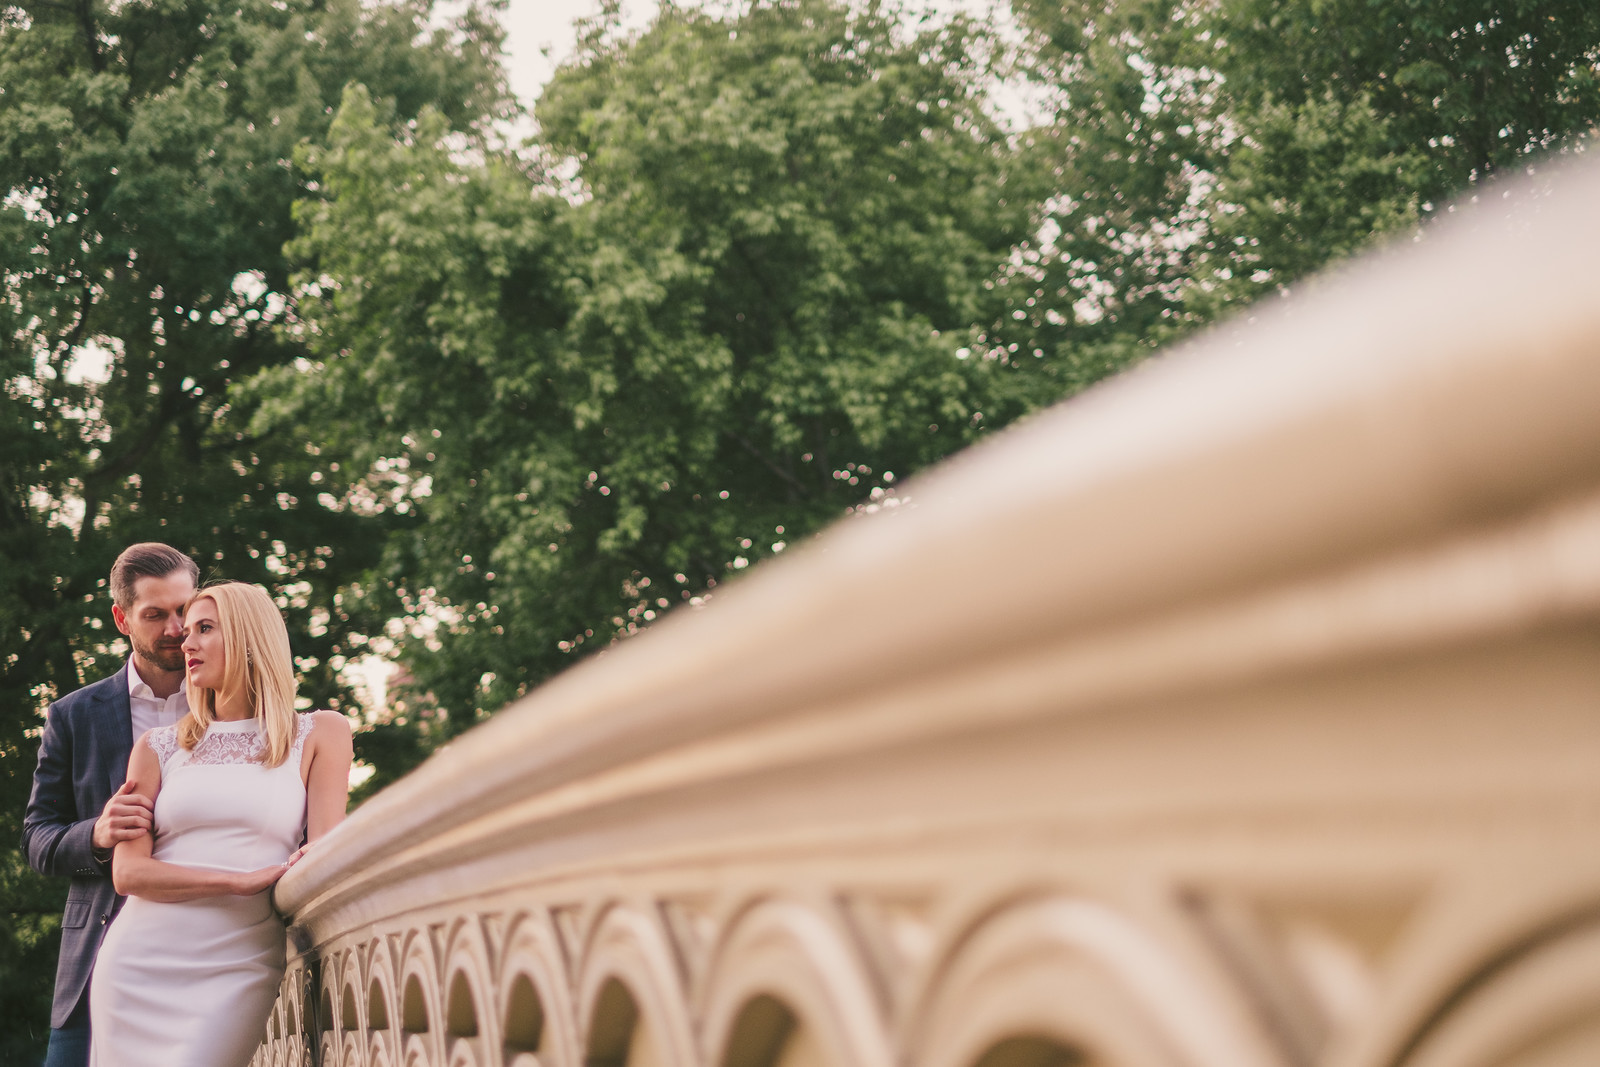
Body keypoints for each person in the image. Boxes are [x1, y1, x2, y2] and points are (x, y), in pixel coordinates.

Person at [87, 581, 353, 1067]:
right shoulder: (157, 747)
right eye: (187, 631)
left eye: (203, 629)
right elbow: (129, 874)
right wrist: (237, 880)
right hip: (138, 964)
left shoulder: (319, 733)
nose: (185, 643)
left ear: (251, 637)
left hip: (241, 962)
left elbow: (326, 848)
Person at [24, 543, 199, 1067]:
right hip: (99, 964)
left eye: (185, 610)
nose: (176, 628)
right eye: (155, 615)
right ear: (122, 619)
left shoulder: (244, 709)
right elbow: (37, 839)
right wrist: (97, 835)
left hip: (212, 951)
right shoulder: (72, 716)